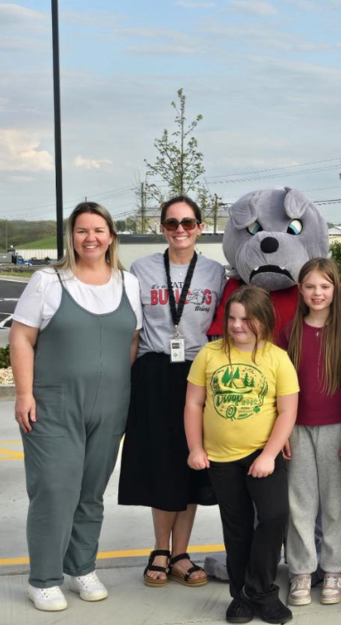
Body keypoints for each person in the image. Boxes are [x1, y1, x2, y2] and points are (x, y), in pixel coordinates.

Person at [10, 201, 143, 611]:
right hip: (54, 404)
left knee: (90, 492)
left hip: (110, 406)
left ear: (111, 236)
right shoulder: (48, 281)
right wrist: (24, 393)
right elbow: (21, 338)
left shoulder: (128, 282)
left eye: (98, 230)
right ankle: (44, 578)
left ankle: (81, 566)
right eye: (82, 230)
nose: (90, 238)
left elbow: (132, 342)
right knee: (55, 489)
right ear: (71, 237)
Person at [118, 195, 226, 589]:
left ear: (199, 227)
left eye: (187, 222)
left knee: (192, 464)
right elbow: (130, 331)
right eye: (171, 223)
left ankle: (181, 552)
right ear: (162, 227)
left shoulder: (215, 273)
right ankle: (160, 549)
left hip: (198, 372)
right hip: (153, 370)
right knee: (160, 464)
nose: (180, 230)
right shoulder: (140, 269)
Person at [185, 286, 299, 625]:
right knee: (235, 527)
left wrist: (268, 455)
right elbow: (193, 403)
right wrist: (195, 448)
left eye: (246, 320)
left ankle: (261, 590)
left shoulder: (276, 357)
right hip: (220, 459)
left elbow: (286, 412)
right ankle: (242, 595)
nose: (237, 326)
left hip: (261, 456)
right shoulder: (210, 353)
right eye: (232, 318)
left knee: (274, 516)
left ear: (263, 320)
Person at [278, 258, 341, 607]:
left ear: (334, 290)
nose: (317, 293)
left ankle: (333, 570)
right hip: (296, 428)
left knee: (334, 504)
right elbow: (279, 387)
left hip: (336, 427)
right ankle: (300, 570)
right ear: (300, 289)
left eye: (325, 286)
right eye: (310, 286)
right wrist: (280, 431)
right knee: (299, 503)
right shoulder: (287, 331)